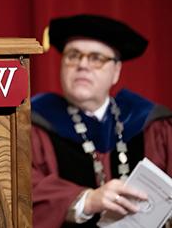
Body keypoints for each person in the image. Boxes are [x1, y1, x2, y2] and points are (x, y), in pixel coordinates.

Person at [31, 14, 172, 227]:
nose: (82, 65)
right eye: (73, 55)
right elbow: (23, 189)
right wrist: (87, 200)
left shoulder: (151, 123)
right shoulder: (34, 123)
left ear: (116, 71)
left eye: (97, 58)